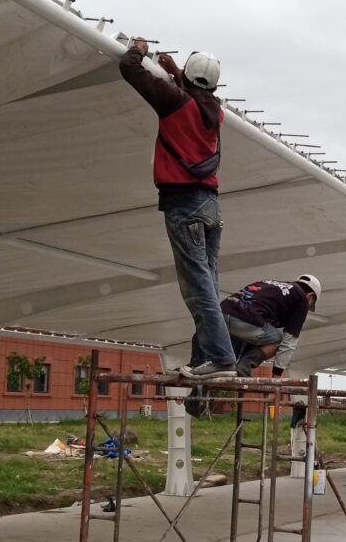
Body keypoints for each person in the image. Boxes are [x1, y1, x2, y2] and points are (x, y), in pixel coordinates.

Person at [119, 39, 237, 380]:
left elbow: (129, 68)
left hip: (183, 205)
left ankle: (220, 358)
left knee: (197, 286)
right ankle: (209, 357)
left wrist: (138, 47)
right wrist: (176, 72)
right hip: (211, 206)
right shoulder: (216, 113)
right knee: (209, 286)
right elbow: (198, 93)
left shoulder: (174, 101)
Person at [184, 275, 321, 416]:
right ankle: (245, 365)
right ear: (310, 296)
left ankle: (194, 399)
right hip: (244, 319)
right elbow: (289, 342)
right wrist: (275, 381)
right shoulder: (301, 300)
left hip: (221, 314)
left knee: (224, 365)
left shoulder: (274, 285)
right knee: (277, 340)